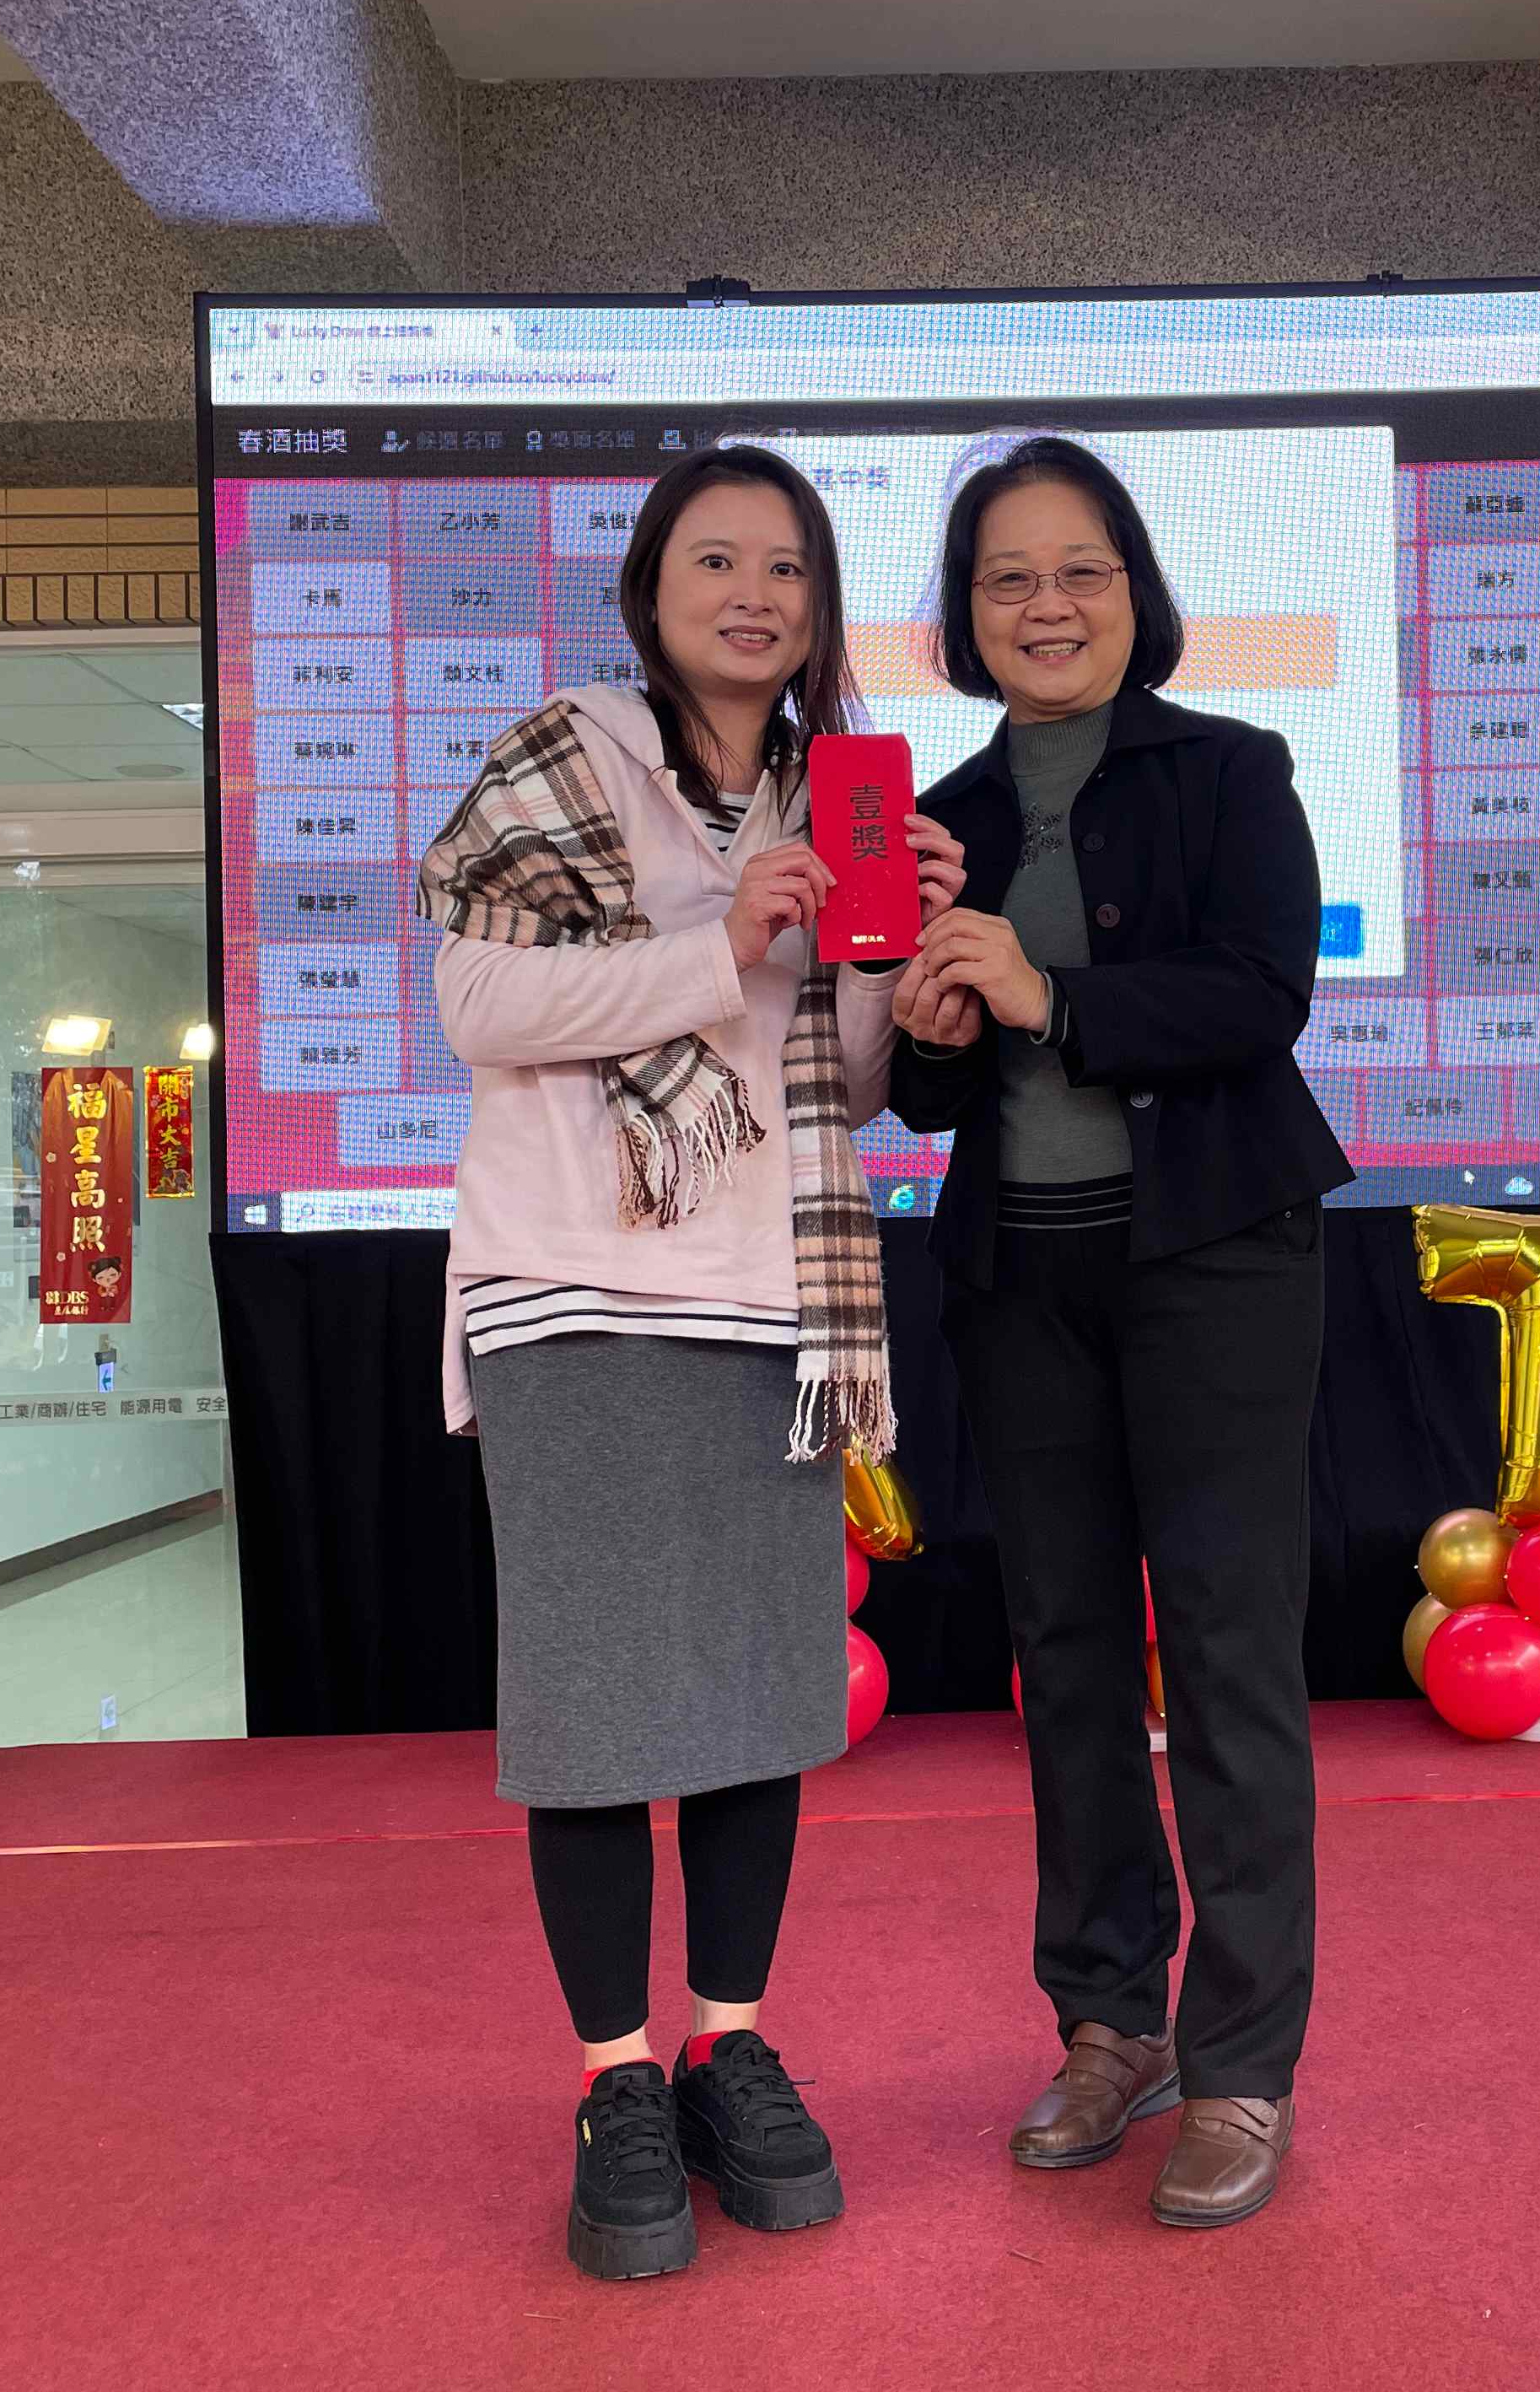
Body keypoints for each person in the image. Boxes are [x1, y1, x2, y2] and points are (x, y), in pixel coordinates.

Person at [419, 445, 964, 2282]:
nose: (755, 595)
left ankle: (729, 2045)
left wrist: (894, 958)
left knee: (751, 1694)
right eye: (718, 560)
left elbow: (846, 1086)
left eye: (788, 569)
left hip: (768, 1300)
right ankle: (615, 2077)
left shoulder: (837, 792)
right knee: (594, 1705)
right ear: (651, 589)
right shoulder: (565, 760)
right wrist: (714, 935)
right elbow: (481, 1005)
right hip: (571, 1288)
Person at [889, 437, 1352, 2228]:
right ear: (964, 614)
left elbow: (1260, 994)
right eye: (1006, 578)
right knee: (1066, 1653)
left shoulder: (1230, 769)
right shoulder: (943, 816)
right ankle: (1110, 2025)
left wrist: (1047, 992)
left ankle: (1241, 2063)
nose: (1047, 605)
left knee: (1226, 1653)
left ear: (1137, 592)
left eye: (1080, 570)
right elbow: (940, 1101)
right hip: (1021, 1277)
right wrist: (935, 1021)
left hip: (1217, 1258)